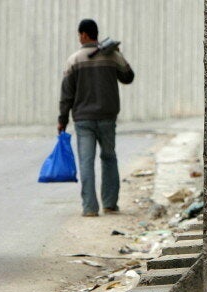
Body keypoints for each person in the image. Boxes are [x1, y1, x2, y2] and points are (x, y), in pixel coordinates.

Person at [57, 19, 134, 217]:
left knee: (86, 162)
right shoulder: (111, 56)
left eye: (79, 34)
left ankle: (90, 208)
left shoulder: (74, 60)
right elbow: (128, 76)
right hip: (107, 117)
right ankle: (109, 204)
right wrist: (117, 54)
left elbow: (67, 94)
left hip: (83, 120)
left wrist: (62, 120)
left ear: (83, 35)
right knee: (109, 158)